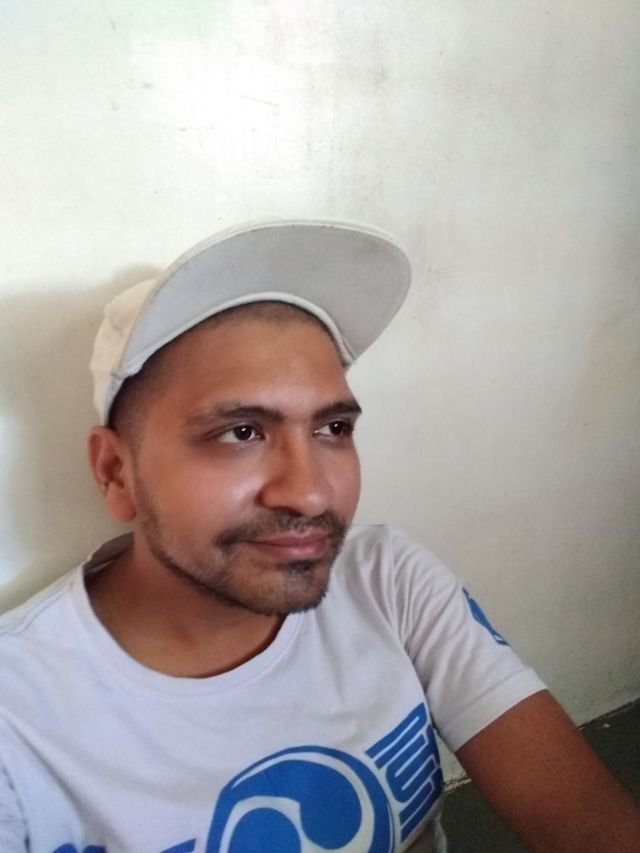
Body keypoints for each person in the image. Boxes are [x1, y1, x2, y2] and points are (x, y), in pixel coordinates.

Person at [0, 222, 638, 853]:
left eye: (332, 428)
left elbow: (588, 823)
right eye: (241, 432)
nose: (310, 494)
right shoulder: (20, 720)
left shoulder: (386, 578)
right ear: (116, 473)